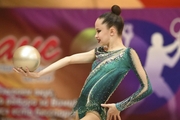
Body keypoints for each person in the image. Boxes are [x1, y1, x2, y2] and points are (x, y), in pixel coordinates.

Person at [14, 5, 152, 120]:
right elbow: (69, 59)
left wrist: (120, 106)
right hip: (80, 109)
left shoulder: (127, 54)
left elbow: (146, 87)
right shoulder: (99, 52)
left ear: (111, 31)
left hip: (95, 112)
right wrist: (39, 74)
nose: (95, 35)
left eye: (98, 31)